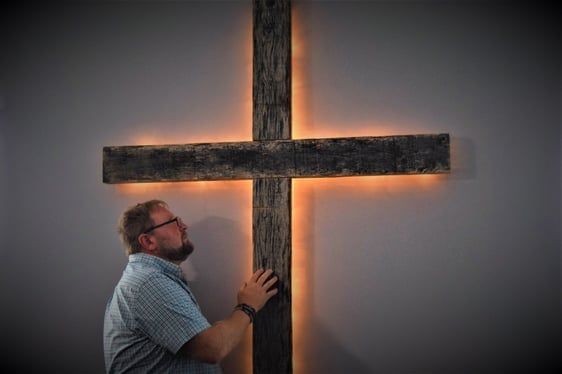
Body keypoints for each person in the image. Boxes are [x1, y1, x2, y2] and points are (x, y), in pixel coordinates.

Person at [103, 199, 278, 373]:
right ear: (148, 242)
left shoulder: (148, 278)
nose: (184, 226)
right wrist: (247, 306)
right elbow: (212, 348)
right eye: (173, 222)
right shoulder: (149, 283)